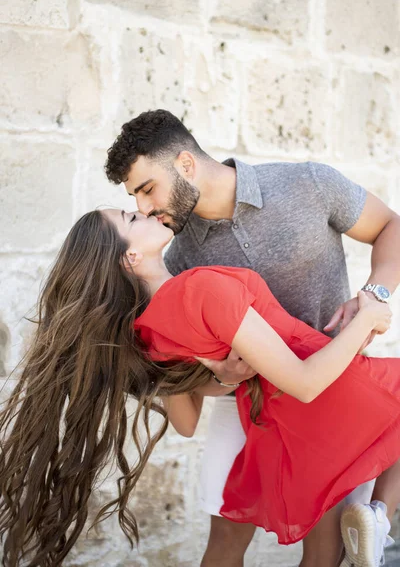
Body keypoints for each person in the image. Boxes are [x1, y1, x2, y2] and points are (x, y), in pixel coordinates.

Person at [0, 207, 398, 567]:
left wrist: (225, 377)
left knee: (317, 551)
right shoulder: (199, 289)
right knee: (325, 555)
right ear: (130, 258)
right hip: (327, 381)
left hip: (276, 417)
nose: (142, 211)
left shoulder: (147, 332)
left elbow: (186, 423)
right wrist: (368, 318)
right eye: (131, 217)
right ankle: (378, 514)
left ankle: (376, 516)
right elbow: (306, 383)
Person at [104, 109, 400, 567]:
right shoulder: (178, 257)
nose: (145, 207)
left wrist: (372, 294)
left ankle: (378, 515)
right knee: (225, 539)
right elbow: (188, 377)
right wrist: (218, 376)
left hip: (335, 386)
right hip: (245, 403)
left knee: (326, 549)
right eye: (135, 200)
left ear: (185, 164)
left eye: (147, 189)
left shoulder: (310, 184)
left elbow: (391, 226)